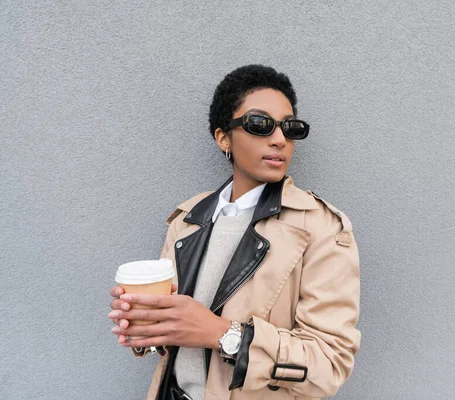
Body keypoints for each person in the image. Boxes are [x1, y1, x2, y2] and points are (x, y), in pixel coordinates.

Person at [108, 65, 361, 400]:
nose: (279, 139)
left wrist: (225, 335)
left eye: (290, 128)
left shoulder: (320, 227)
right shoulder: (188, 219)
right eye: (260, 124)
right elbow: (174, 336)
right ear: (223, 137)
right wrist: (146, 326)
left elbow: (329, 365)